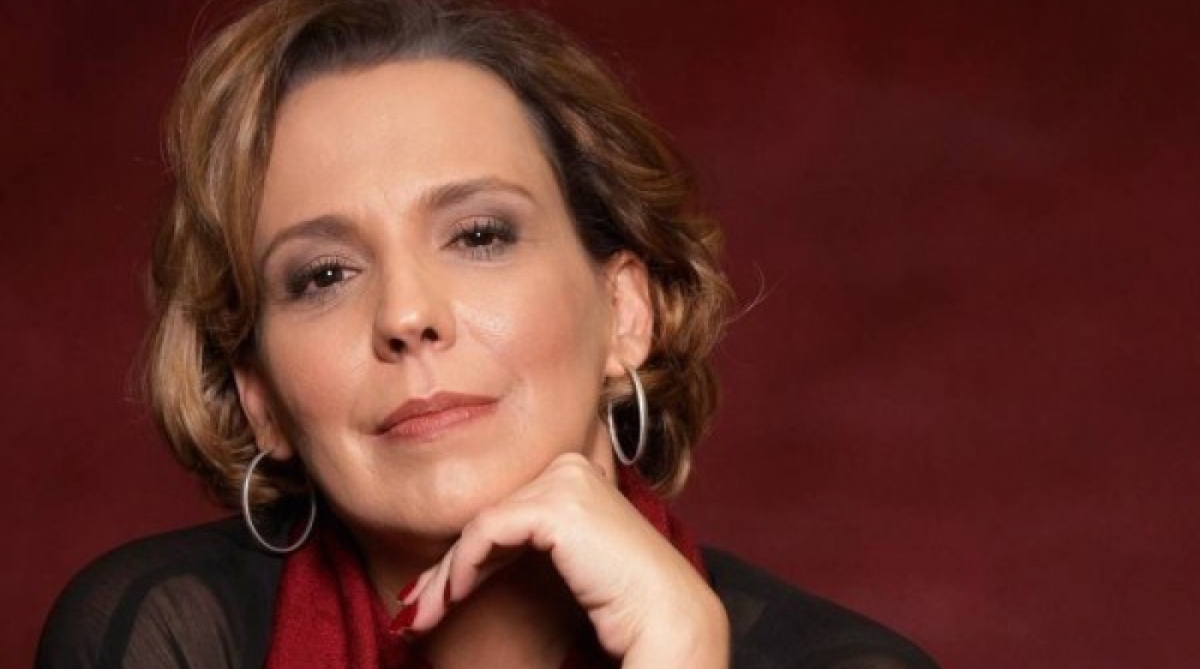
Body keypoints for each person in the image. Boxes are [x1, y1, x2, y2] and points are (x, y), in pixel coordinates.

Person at [36, 1, 940, 668]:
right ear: (260, 397)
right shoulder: (162, 635)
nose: (405, 315)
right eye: (324, 275)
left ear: (625, 314)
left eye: (478, 235)